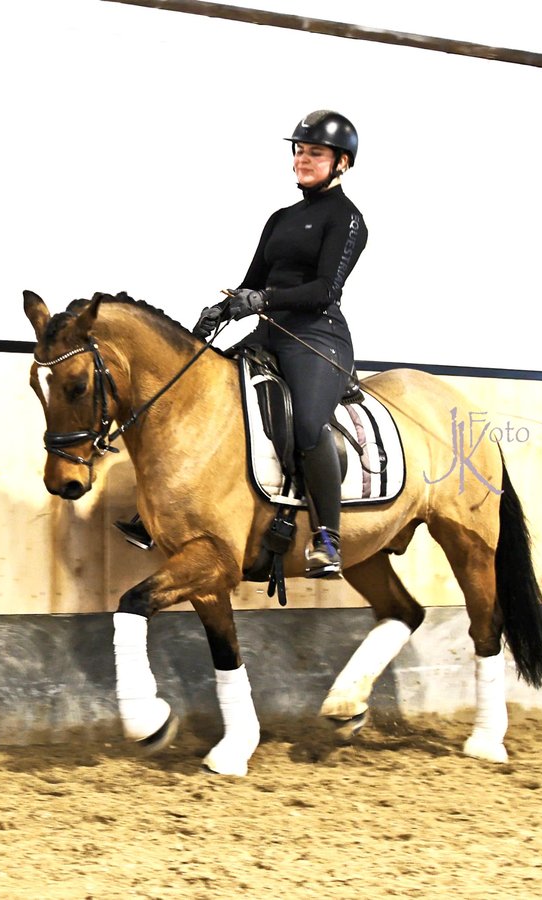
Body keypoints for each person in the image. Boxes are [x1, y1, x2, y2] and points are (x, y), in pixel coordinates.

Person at [116, 109, 368, 579]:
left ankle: (326, 537)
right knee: (195, 394)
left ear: (342, 163)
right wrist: (229, 306)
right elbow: (254, 281)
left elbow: (323, 291)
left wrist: (263, 298)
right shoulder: (280, 219)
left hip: (317, 339)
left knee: (311, 426)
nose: (302, 159)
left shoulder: (347, 219)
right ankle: (158, 513)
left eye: (315, 152)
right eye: (299, 150)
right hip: (269, 334)